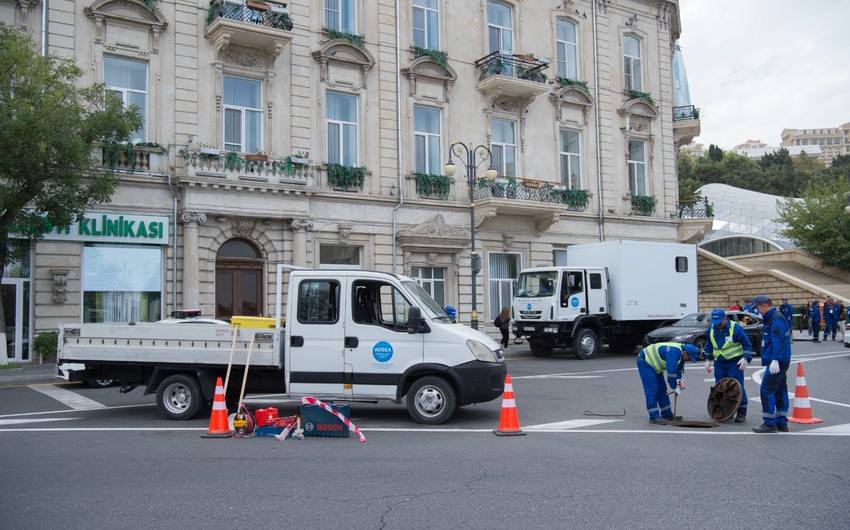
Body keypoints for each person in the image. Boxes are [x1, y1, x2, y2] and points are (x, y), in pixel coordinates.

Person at [750, 295, 792, 433]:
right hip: (779, 360)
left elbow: (778, 340)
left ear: (763, 305)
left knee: (766, 390)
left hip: (778, 361)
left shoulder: (775, 318)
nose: (757, 311)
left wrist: (775, 359)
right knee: (779, 390)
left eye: (757, 308)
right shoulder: (774, 318)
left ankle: (769, 424)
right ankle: (781, 422)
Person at [704, 309, 753, 423]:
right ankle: (727, 411)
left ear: (725, 319)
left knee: (737, 387)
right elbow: (709, 345)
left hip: (734, 363)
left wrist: (745, 358)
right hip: (719, 363)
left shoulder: (735, 328)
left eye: (720, 322)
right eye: (716, 322)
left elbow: (747, 344)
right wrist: (707, 359)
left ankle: (741, 411)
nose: (718, 325)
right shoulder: (711, 329)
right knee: (720, 388)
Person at [636, 342, 699, 425]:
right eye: (689, 357)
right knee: (652, 389)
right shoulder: (674, 352)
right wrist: (674, 387)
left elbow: (679, 369)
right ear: (685, 352)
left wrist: (678, 381)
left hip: (655, 365)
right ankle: (654, 417)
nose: (688, 359)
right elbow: (671, 373)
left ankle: (666, 414)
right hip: (645, 362)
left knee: (662, 389)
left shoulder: (681, 355)